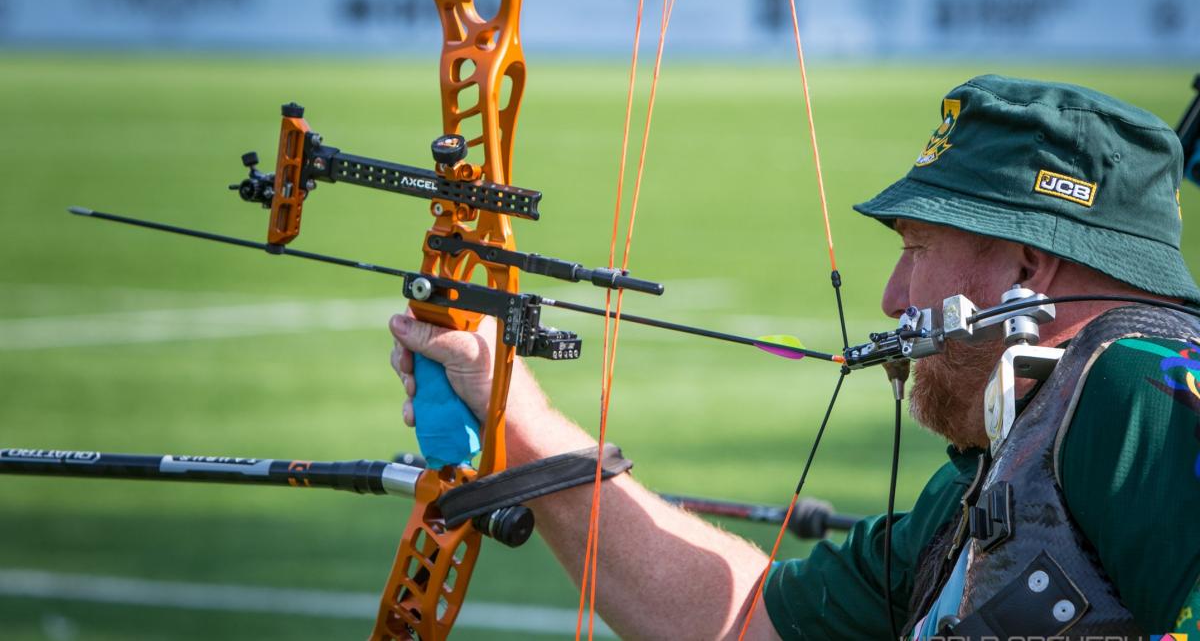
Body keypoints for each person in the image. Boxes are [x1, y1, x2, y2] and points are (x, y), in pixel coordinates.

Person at [389, 75, 1200, 639]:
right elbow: (745, 620)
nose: (894, 296)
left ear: (1026, 268)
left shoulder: (1138, 392)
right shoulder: (1003, 459)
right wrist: (521, 420)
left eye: (918, 248)